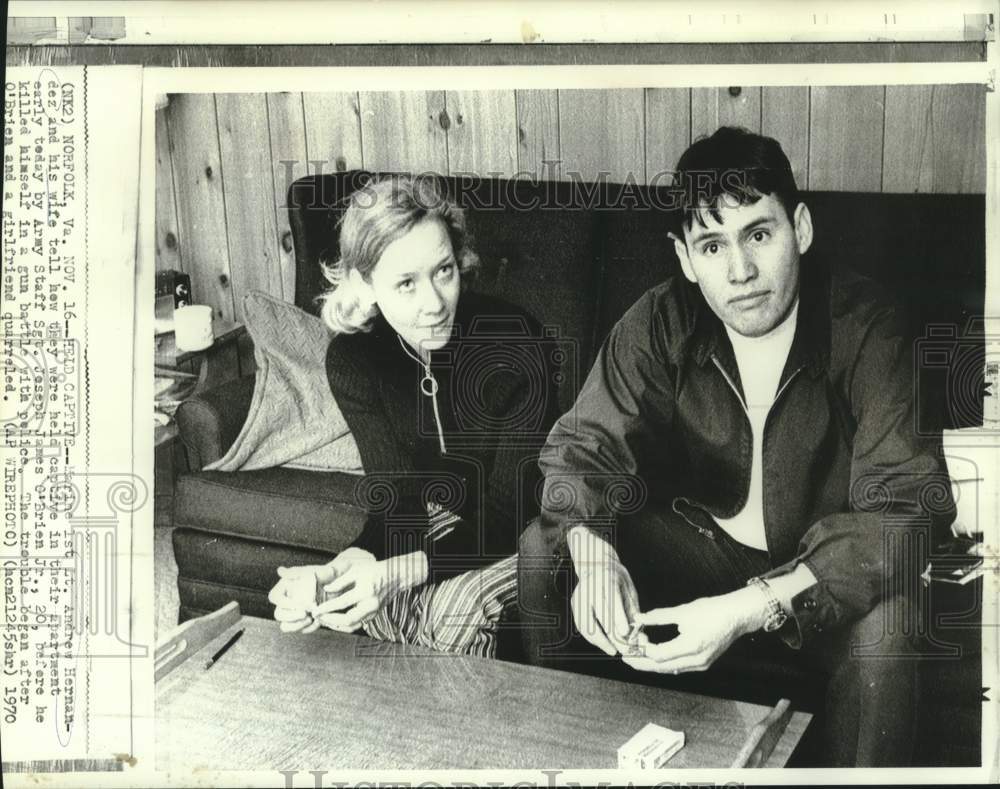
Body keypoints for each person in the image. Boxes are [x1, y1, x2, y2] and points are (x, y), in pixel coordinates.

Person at [517, 127, 956, 766]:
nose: (740, 271)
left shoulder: (868, 325)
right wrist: (595, 552)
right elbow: (580, 448)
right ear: (685, 258)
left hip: (815, 580)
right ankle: (567, 766)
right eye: (712, 245)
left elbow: (905, 509)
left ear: (800, 229)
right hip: (703, 555)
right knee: (546, 550)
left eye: (759, 234)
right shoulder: (661, 318)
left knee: (892, 630)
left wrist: (746, 609)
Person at [268, 175, 559, 658]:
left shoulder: (516, 342)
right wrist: (338, 573)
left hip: (532, 528)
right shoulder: (355, 360)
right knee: (361, 599)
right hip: (448, 526)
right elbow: (398, 504)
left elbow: (512, 512)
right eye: (406, 283)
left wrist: (400, 572)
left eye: (443, 271)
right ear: (365, 285)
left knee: (453, 612)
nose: (434, 303)